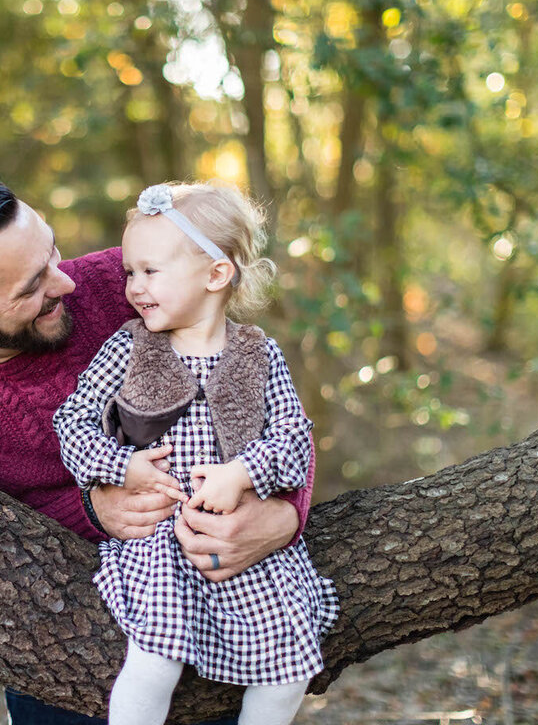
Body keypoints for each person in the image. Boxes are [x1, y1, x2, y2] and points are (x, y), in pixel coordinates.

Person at [0, 172, 314, 724]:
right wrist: (89, 507)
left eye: (53, 251)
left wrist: (284, 516)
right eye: (30, 287)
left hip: (213, 608)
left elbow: (255, 406)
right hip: (56, 648)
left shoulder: (127, 286)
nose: (65, 283)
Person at [54, 182, 339, 725]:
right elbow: (73, 422)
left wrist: (245, 471)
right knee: (156, 659)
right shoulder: (129, 348)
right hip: (160, 543)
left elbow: (294, 438)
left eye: (151, 271)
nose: (135, 287)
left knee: (287, 669)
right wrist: (122, 467)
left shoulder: (258, 353)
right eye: (130, 272)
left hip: (244, 545)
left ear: (215, 274)